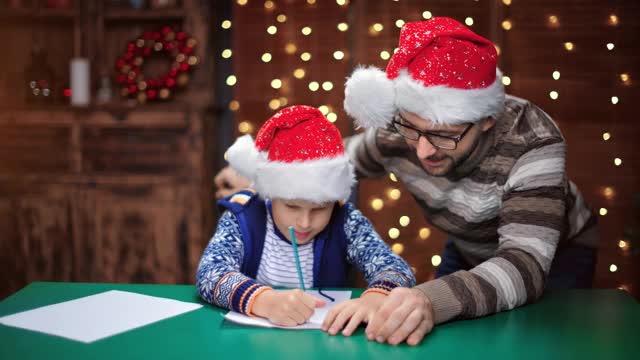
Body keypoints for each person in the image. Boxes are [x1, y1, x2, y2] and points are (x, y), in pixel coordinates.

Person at [215, 18, 598, 346]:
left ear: (486, 120)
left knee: (536, 341)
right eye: (413, 130)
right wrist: (252, 174)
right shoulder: (400, 129)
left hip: (553, 253)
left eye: (445, 136)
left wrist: (429, 299)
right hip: (467, 245)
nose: (423, 150)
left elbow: (525, 265)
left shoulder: (534, 142)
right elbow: (323, 167)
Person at [197, 105, 415, 327]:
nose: (304, 222)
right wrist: (266, 302)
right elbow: (209, 274)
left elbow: (397, 270)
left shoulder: (346, 221)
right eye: (291, 207)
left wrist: (376, 300)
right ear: (270, 193)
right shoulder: (243, 216)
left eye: (320, 209)